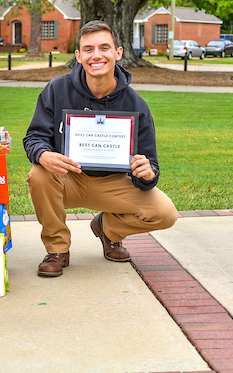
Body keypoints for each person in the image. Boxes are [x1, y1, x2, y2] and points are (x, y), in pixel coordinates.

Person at [23, 20, 177, 277]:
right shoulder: (56, 89)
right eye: (88, 49)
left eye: (104, 48)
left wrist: (147, 174)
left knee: (165, 213)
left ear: (118, 52)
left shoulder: (135, 104)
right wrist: (43, 154)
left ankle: (108, 229)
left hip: (112, 183)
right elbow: (34, 136)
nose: (96, 55)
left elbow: (151, 165)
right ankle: (57, 250)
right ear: (78, 56)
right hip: (68, 178)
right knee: (39, 173)